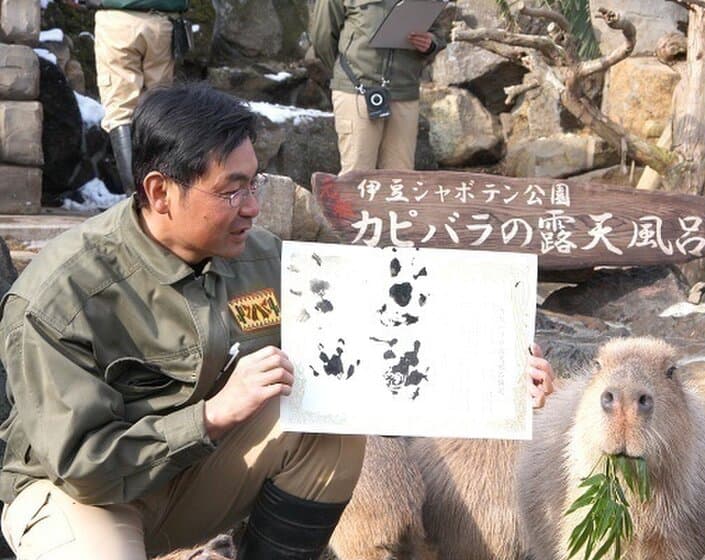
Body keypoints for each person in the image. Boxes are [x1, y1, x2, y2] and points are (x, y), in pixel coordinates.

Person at [0, 82, 555, 559]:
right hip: (80, 493)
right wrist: (213, 416)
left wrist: (498, 375)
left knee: (326, 431)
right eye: (230, 189)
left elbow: (388, 341)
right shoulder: (62, 295)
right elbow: (83, 464)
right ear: (159, 192)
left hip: (186, 479)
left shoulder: (268, 260)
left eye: (254, 183)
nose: (251, 206)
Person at [310, 0, 447, 174]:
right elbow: (322, 37)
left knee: (400, 179)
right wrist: (345, 73)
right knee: (357, 176)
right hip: (357, 90)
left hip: (405, 92)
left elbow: (437, 31)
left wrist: (430, 44)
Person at [91, 0, 188, 193]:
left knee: (120, 110)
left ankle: (135, 196)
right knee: (159, 107)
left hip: (118, 19)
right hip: (162, 21)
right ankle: (162, 193)